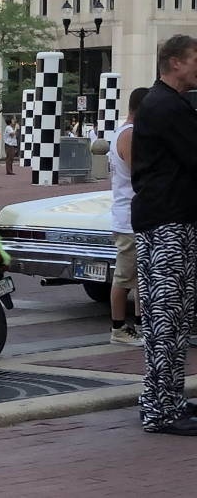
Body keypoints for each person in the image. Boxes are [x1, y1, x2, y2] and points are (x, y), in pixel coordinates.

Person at [131, 34, 197, 435]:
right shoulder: (167, 106)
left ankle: (166, 399)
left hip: (168, 219)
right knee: (168, 318)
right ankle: (162, 410)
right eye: (195, 60)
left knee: (172, 318)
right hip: (167, 222)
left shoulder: (165, 103)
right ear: (175, 62)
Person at [108, 88, 149, 347]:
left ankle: (140, 324)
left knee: (139, 277)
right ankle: (119, 327)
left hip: (130, 215)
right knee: (125, 277)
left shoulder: (122, 132)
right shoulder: (130, 135)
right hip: (129, 218)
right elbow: (140, 173)